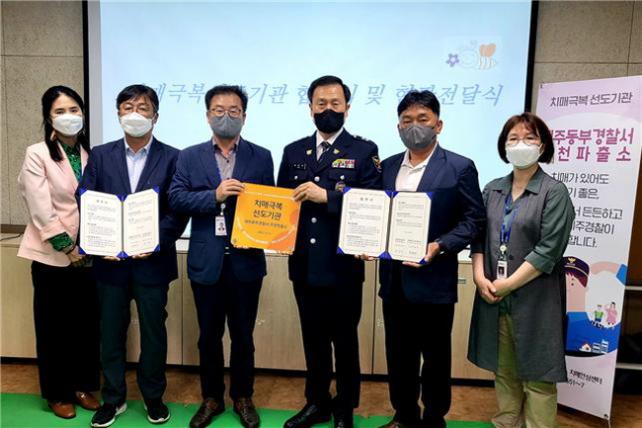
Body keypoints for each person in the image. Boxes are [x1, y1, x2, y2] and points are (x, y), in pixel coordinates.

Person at [277, 75, 381, 428]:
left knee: (345, 342)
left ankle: (344, 407)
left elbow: (373, 202)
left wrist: (329, 197)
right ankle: (317, 402)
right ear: (310, 108)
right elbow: (282, 202)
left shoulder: (363, 151)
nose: (328, 109)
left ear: (347, 108)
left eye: (335, 103)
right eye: (321, 103)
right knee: (314, 340)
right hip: (304, 264)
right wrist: (274, 236)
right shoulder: (294, 151)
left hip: (342, 266)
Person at [79, 84, 187, 427]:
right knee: (111, 332)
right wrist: (99, 244)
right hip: (110, 264)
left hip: (152, 262)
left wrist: (154, 241)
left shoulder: (174, 157)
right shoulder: (100, 155)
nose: (135, 114)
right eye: (128, 107)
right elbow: (86, 198)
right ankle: (113, 399)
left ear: (156, 115)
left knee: (154, 333)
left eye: (143, 108)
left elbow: (177, 210)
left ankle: (153, 397)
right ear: (118, 114)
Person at [377, 90, 485, 428]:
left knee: (436, 358)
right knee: (398, 355)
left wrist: (440, 245)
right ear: (398, 127)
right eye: (407, 120)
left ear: (438, 125)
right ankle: (404, 415)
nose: (414, 126)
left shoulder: (459, 167)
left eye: (422, 119)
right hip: (394, 280)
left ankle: (434, 418)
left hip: (434, 280)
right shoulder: (387, 166)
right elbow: (376, 214)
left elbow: (474, 220)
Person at [169, 85, 274, 428]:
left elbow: (271, 203)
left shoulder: (262, 156)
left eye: (233, 110)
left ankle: (243, 397)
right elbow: (176, 198)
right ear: (207, 115)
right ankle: (211, 398)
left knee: (243, 336)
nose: (226, 116)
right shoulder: (189, 156)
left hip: (246, 261)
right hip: (206, 260)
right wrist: (214, 195)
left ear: (244, 115)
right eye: (219, 110)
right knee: (208, 336)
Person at [468, 112, 575, 428]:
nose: (520, 144)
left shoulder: (554, 192)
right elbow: (477, 237)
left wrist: (508, 284)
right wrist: (479, 277)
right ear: (504, 146)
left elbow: (548, 249)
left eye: (529, 138)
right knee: (504, 370)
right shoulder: (492, 189)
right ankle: (506, 422)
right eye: (513, 139)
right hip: (495, 296)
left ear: (543, 145)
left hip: (536, 298)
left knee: (538, 375)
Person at [17, 85, 101, 420]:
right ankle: (57, 392)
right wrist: (68, 247)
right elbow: (40, 208)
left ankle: (82, 386)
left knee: (86, 325)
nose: (69, 116)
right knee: (54, 326)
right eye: (60, 111)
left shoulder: (92, 153)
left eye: (74, 110)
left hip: (91, 255)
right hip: (53, 256)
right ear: (48, 117)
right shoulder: (37, 153)